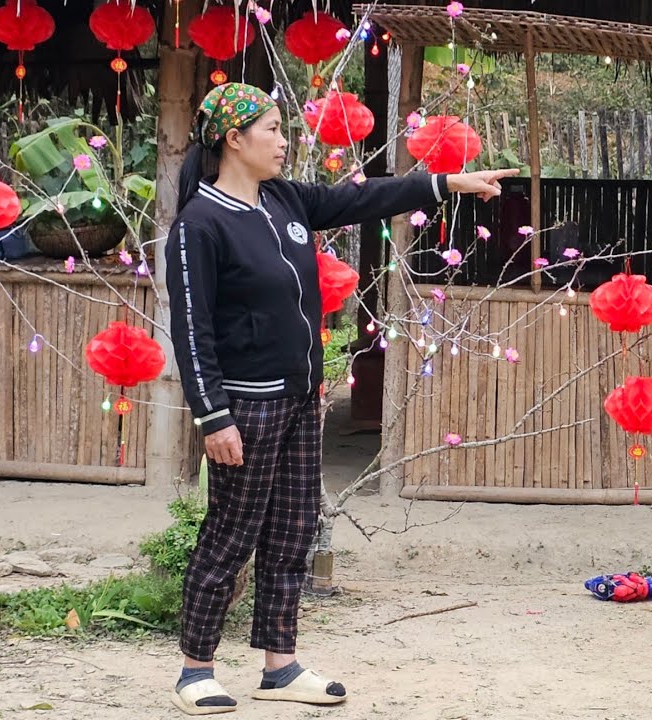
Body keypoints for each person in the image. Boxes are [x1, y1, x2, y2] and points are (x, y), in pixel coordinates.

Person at [164, 82, 518, 715]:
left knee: (293, 532)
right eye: (271, 129)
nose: (283, 139)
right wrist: (212, 415)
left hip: (300, 402)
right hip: (244, 407)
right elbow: (191, 331)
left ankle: (279, 664)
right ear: (233, 139)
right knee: (230, 533)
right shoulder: (200, 223)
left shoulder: (286, 200)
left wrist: (445, 184)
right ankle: (197, 668)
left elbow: (361, 197)